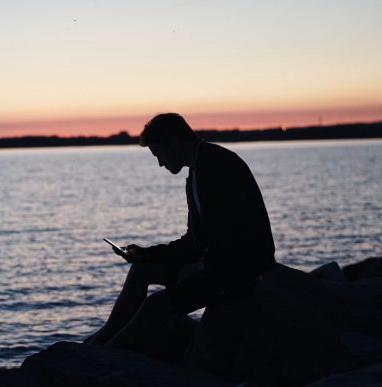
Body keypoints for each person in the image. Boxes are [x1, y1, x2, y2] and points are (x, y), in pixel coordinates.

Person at [86, 113, 275, 349]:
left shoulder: (217, 166)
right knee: (141, 270)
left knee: (156, 306)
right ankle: (101, 342)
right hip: (217, 265)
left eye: (159, 154)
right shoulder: (196, 172)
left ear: (174, 143)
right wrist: (146, 254)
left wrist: (201, 266)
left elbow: (233, 237)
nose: (160, 164)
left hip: (239, 271)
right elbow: (193, 242)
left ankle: (107, 354)